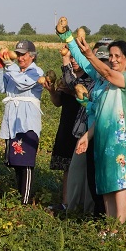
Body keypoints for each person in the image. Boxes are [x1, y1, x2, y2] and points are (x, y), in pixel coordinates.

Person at [62, 29, 126, 226]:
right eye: (110, 56)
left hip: (118, 140)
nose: (113, 60)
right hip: (102, 139)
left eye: (117, 56)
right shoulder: (103, 84)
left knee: (119, 185)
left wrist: (89, 52)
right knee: (106, 184)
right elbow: (100, 113)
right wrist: (68, 38)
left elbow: (102, 70)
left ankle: (119, 230)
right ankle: (111, 226)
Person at [0, 40, 44, 205]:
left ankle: (25, 201)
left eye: (23, 54)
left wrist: (9, 65)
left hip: (27, 121)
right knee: (17, 161)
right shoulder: (13, 71)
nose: (19, 58)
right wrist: (0, 68)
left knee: (26, 162)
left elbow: (22, 83)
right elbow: (0, 87)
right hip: (13, 121)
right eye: (18, 54)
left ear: (32, 56)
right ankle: (19, 195)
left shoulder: (35, 72)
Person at [62, 40, 111, 216]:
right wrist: (67, 38)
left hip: (100, 133)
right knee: (80, 173)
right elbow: (83, 62)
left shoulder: (110, 83)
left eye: (105, 61)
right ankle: (76, 211)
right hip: (86, 131)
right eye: (99, 61)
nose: (101, 65)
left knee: (96, 176)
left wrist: (66, 59)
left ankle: (94, 214)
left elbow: (71, 83)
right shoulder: (98, 79)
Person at [43, 47, 85, 213]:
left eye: (76, 58)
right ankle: (66, 203)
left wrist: (73, 92)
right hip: (67, 123)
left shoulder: (90, 79)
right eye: (71, 58)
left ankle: (81, 203)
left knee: (80, 165)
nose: (73, 61)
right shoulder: (66, 79)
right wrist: (53, 91)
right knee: (67, 165)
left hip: (82, 126)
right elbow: (58, 102)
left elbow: (87, 100)